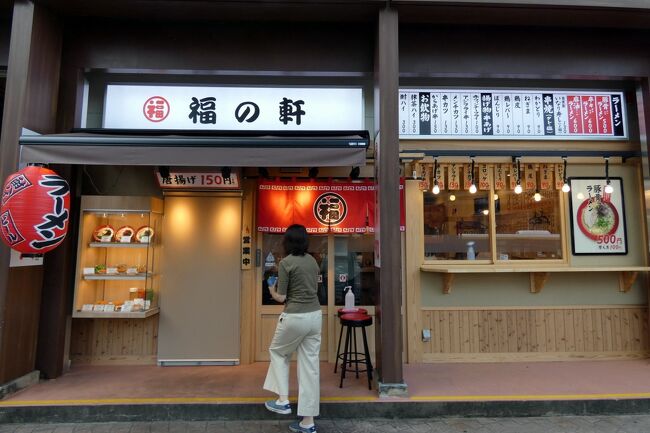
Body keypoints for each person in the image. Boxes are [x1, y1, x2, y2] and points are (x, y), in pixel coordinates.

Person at [263, 224, 322, 433]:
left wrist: (271, 289)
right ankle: (308, 422)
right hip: (315, 316)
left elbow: (282, 297)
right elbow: (313, 289)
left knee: (278, 352)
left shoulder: (286, 263)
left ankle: (283, 399)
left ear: (287, 241)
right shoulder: (313, 261)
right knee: (310, 368)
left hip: (295, 316)